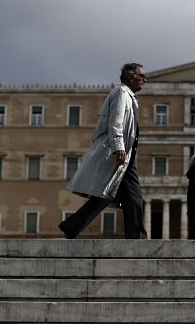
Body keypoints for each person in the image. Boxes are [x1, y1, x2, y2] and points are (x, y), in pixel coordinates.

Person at [60, 63, 148, 239]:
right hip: (119, 155)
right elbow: (115, 122)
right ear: (130, 77)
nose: (144, 80)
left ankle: (72, 225)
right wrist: (118, 147)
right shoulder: (121, 93)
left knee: (108, 196)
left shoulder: (128, 96)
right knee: (133, 198)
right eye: (141, 76)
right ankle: (137, 237)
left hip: (126, 155)